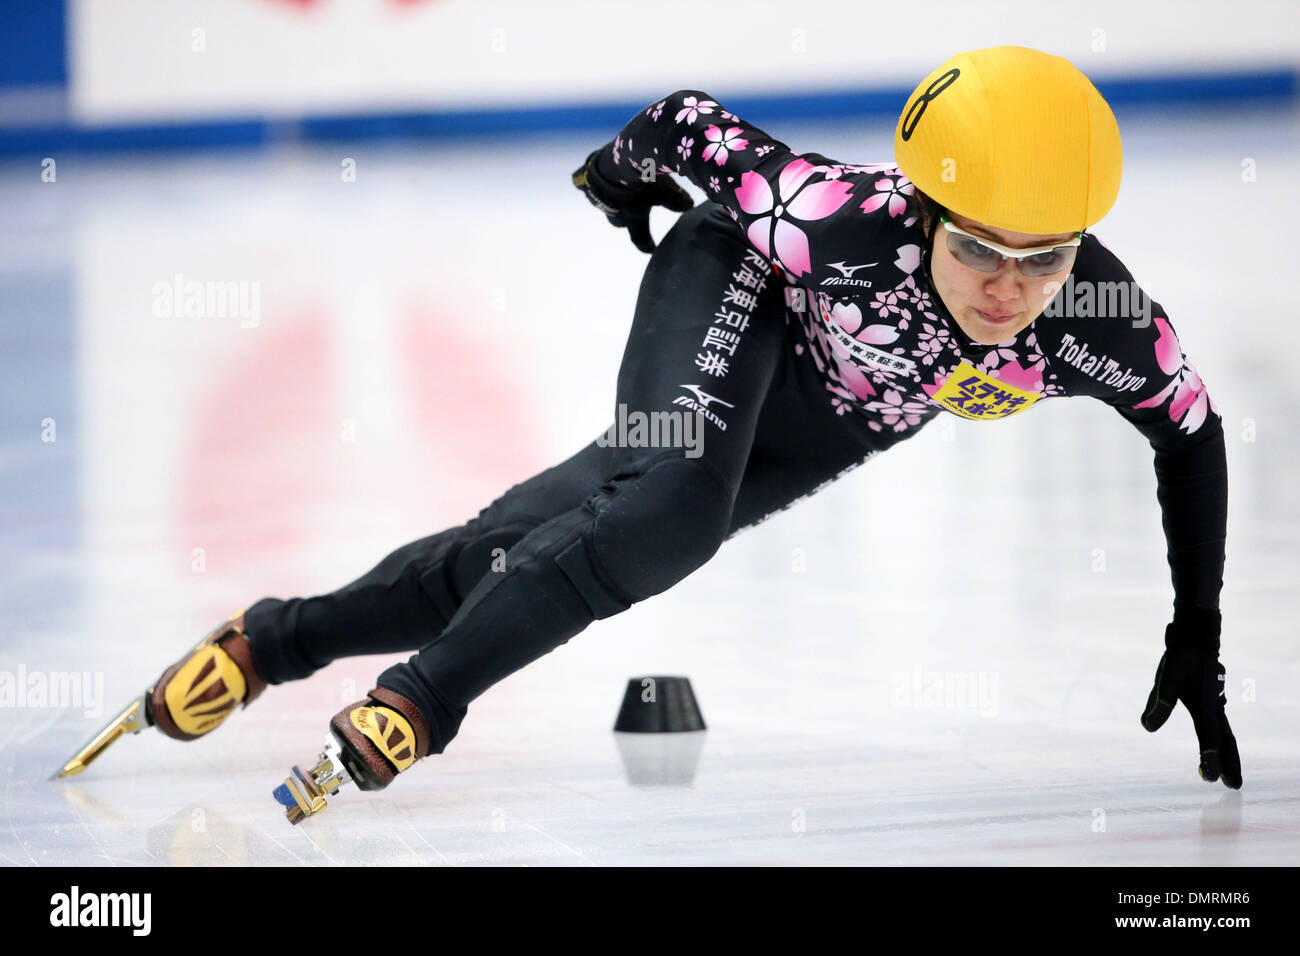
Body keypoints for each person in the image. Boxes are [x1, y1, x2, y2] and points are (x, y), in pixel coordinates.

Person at [57, 46, 1241, 816]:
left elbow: (1189, 438)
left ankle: (274, 640)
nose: (1008, 287)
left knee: (526, 549)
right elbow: (684, 123)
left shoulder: (1102, 325)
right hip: (733, 288)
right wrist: (613, 178)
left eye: (1044, 259)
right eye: (979, 245)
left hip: (830, 419)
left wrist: (1198, 631)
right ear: (926, 209)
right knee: (670, 517)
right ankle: (422, 702)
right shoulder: (828, 221)